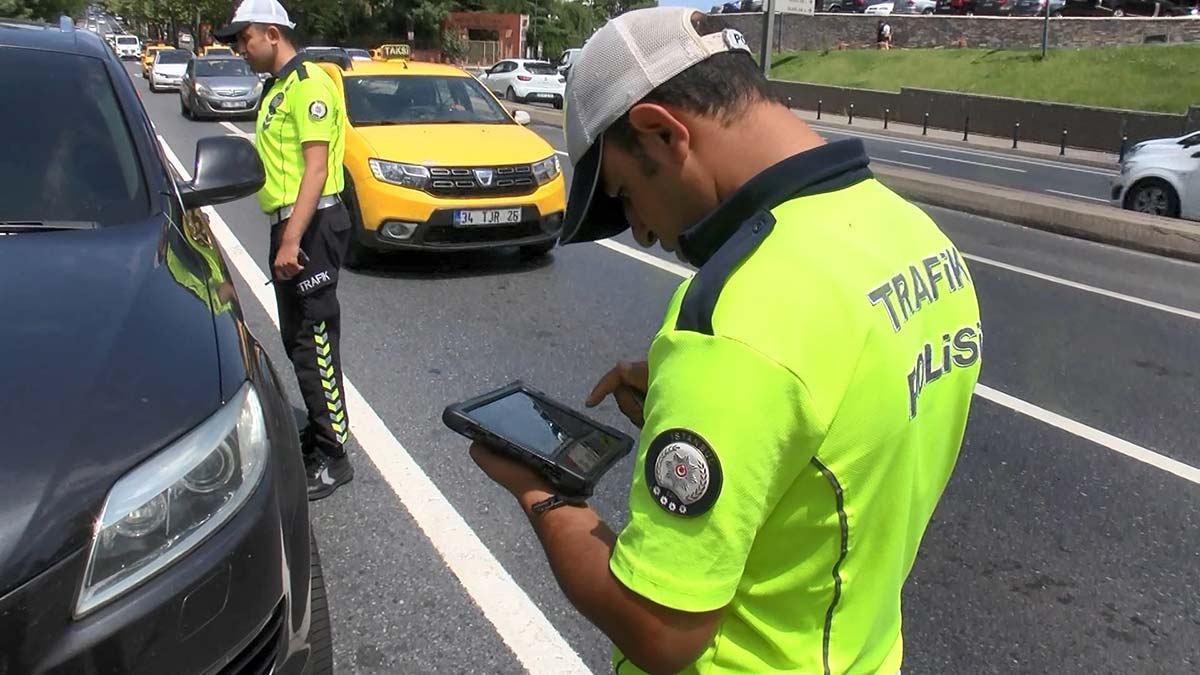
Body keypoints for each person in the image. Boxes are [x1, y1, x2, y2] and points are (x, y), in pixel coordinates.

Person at [469, 7, 982, 674]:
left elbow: (658, 628)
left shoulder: (733, 319)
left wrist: (542, 493)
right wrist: (733, 417)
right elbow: (846, 429)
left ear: (661, 132)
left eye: (624, 197)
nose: (645, 234)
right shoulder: (917, 239)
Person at [214, 0, 354, 501]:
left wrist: (292, 240)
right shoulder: (276, 87)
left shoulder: (309, 85)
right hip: (292, 224)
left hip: (312, 226)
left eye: (243, 37)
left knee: (315, 341)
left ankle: (336, 457)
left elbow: (315, 170)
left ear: (272, 34)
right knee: (298, 339)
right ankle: (320, 435)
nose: (238, 48)